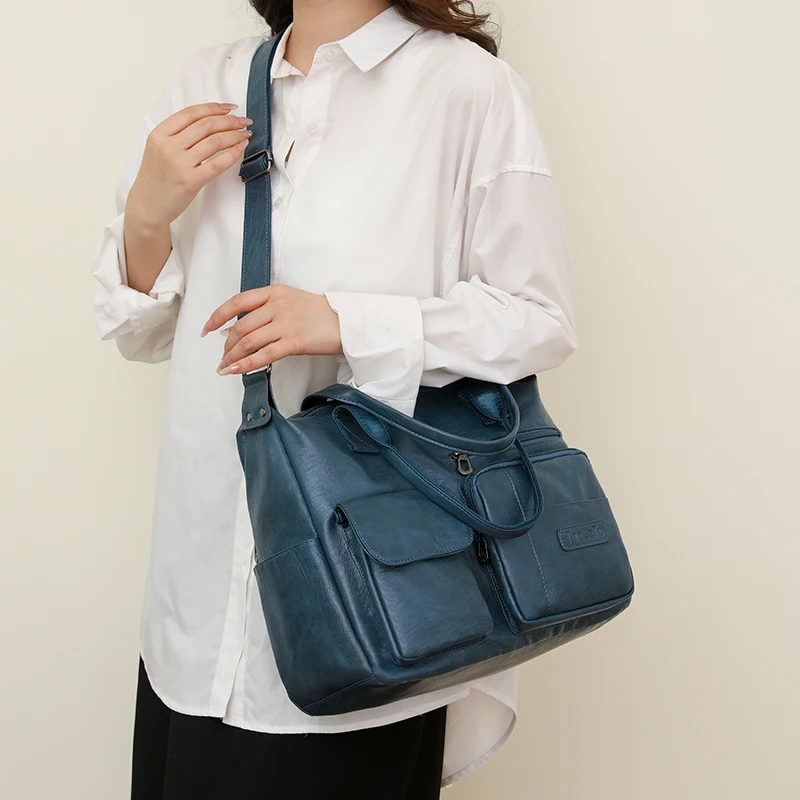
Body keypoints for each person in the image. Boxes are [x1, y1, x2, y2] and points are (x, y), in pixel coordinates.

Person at [90, 1, 578, 797]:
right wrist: (146, 214)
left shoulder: (467, 89)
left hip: (374, 601)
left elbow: (538, 318)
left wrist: (344, 321)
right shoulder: (206, 81)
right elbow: (144, 332)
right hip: (196, 602)